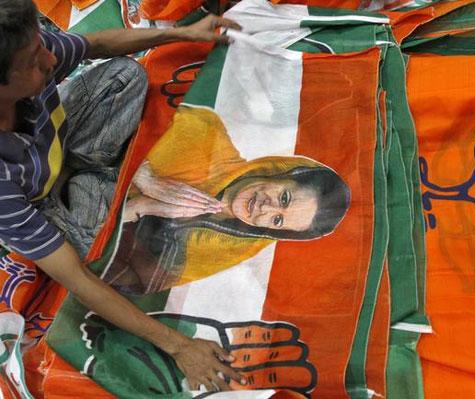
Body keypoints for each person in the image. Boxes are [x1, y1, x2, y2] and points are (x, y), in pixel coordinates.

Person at [0, 0, 246, 392]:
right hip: (37, 200)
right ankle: (90, 186)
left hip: (58, 148)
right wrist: (178, 346)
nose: (49, 58)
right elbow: (74, 277)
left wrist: (183, 33)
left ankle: (87, 174)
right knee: (104, 252)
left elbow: (96, 44)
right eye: (32, 60)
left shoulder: (31, 56)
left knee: (124, 75)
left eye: (42, 46)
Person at [102, 106, 351, 294]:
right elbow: (113, 115)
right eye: (283, 197)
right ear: (280, 173)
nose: (267, 208)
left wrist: (140, 208)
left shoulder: (227, 249)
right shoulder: (204, 134)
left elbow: (130, 280)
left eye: (277, 220)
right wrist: (145, 177)